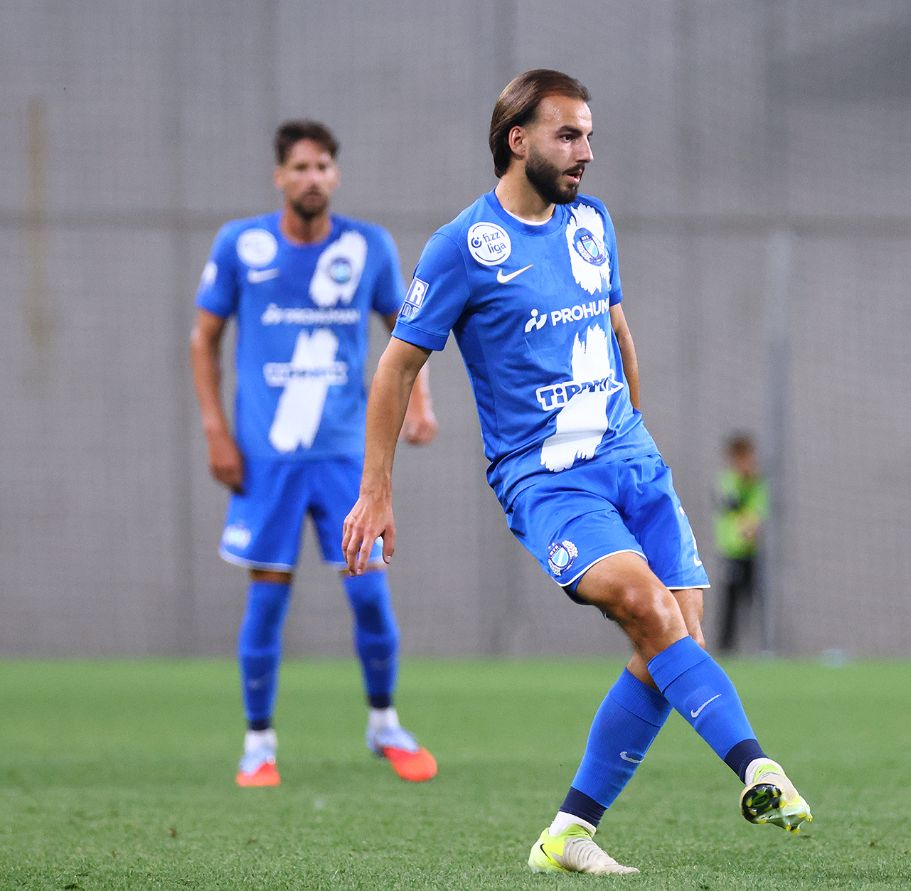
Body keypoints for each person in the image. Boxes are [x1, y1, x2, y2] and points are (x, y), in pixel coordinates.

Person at [342, 70, 812, 874]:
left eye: (589, 135)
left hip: (630, 460)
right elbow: (396, 368)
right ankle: (756, 767)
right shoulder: (463, 246)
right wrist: (375, 490)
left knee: (675, 634)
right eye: (568, 135)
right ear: (517, 139)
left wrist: (635, 436)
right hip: (549, 479)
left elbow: (618, 330)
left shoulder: (592, 223)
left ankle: (568, 833)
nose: (586, 151)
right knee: (648, 607)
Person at [190, 119, 439, 788]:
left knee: (370, 596)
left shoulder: (367, 246)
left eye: (322, 166)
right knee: (267, 601)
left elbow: (406, 328)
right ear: (280, 176)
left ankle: (384, 723)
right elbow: (203, 339)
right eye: (300, 167)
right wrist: (216, 430)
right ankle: (258, 742)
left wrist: (420, 403)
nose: (312, 178)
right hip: (267, 458)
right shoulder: (241, 244)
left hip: (345, 457)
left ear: (336, 175)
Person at [715, 434, 769, 652]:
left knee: (756, 598)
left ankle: (764, 646)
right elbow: (733, 505)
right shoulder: (728, 481)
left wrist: (752, 524)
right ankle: (726, 648)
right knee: (730, 601)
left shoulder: (757, 483)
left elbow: (758, 512)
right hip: (732, 551)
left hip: (752, 551)